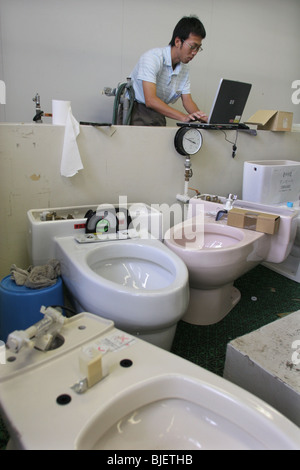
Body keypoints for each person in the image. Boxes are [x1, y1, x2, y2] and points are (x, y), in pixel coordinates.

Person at [129, 15, 208, 126]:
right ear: (177, 41)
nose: (195, 52)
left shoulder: (184, 68)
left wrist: (202, 118)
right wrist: (183, 117)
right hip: (137, 111)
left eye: (198, 48)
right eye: (192, 46)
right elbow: (150, 100)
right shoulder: (152, 58)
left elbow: (187, 100)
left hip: (158, 112)